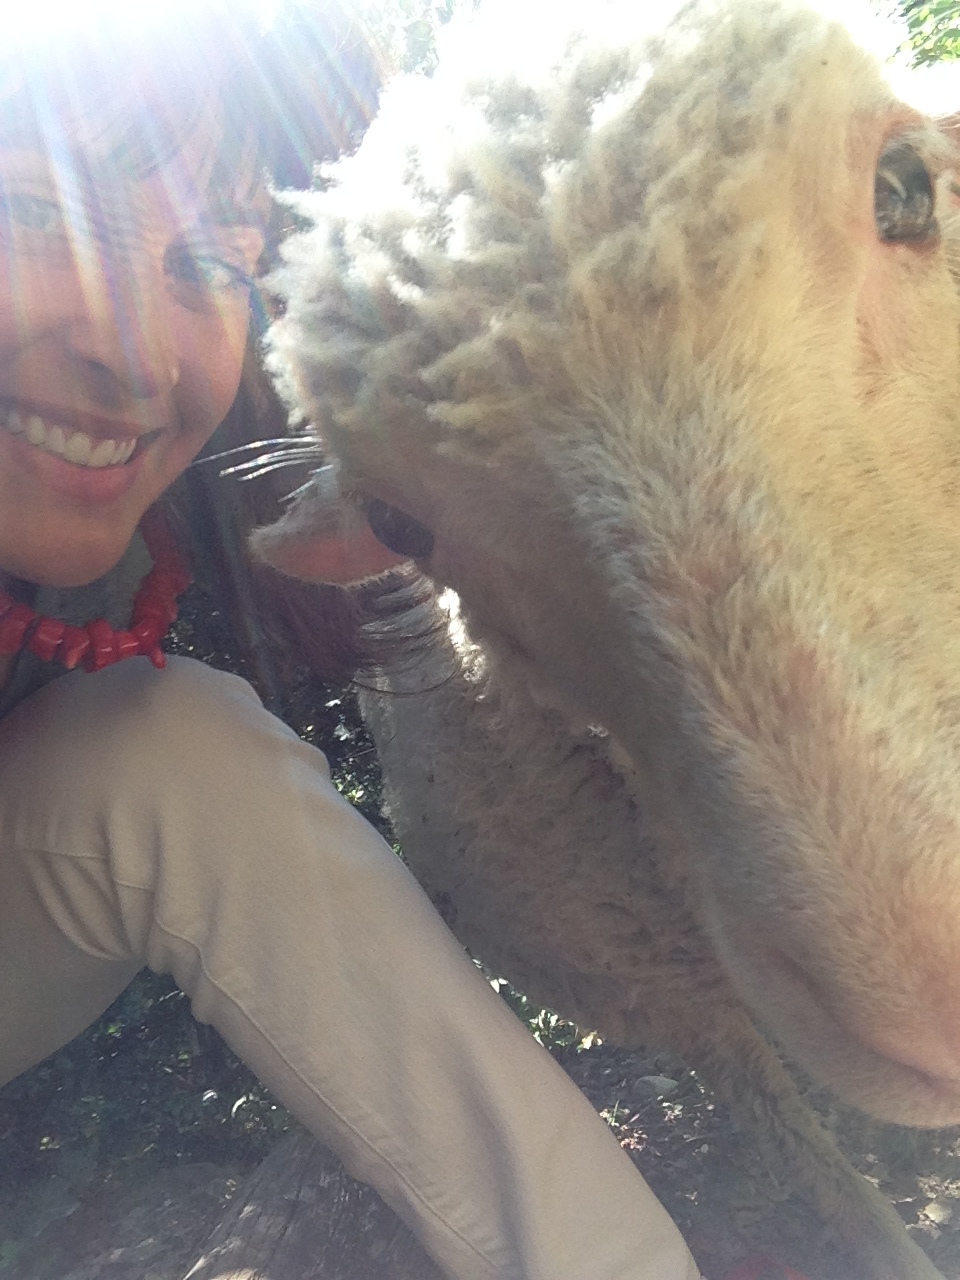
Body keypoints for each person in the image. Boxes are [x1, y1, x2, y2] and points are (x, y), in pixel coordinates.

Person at [0, 3, 701, 1277]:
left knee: (168, 748)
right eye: (41, 211)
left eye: (209, 264)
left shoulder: (198, 513)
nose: (137, 352)